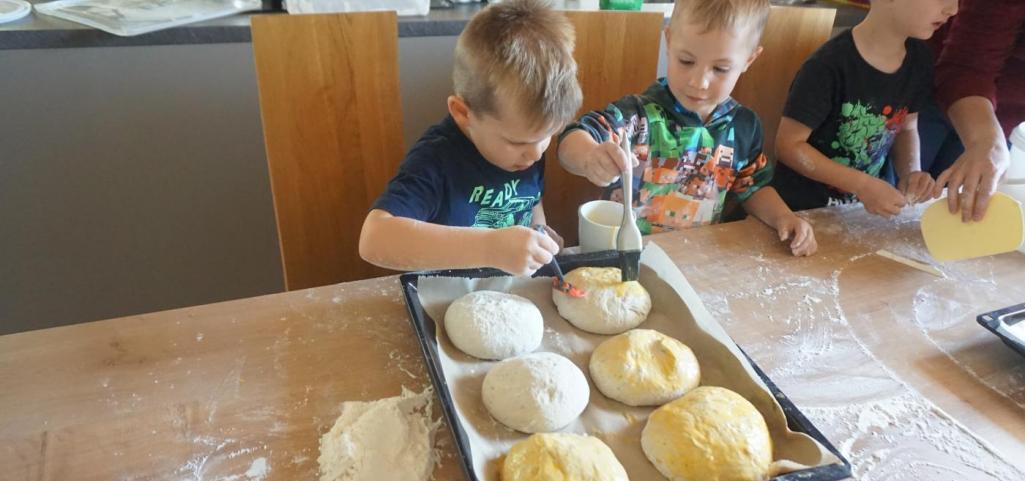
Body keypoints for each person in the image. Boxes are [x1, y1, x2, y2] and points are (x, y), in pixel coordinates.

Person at [557, 0, 817, 256]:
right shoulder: (637, 115)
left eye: (720, 68)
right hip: (622, 255)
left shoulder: (744, 126)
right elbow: (572, 139)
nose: (699, 81)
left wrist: (783, 217)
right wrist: (590, 156)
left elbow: (753, 187)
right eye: (686, 61)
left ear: (749, 59)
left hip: (693, 258)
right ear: (669, 42)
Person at [358, 0, 582, 276]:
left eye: (548, 136)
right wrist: (491, 248)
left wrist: (537, 231)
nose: (535, 154)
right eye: (517, 142)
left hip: (509, 292)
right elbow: (373, 239)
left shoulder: (526, 145)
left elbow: (530, 199)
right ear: (463, 113)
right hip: (448, 298)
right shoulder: (436, 160)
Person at [772, 0, 957, 218]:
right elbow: (789, 146)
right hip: (803, 212)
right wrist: (861, 184)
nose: (953, 9)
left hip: (859, 213)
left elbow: (906, 127)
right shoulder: (828, 66)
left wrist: (910, 172)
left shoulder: (920, 60)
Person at [924, 0, 1025, 222]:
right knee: (905, 200)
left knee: (965, 222)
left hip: (1005, 127)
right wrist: (987, 142)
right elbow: (966, 67)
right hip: (942, 93)